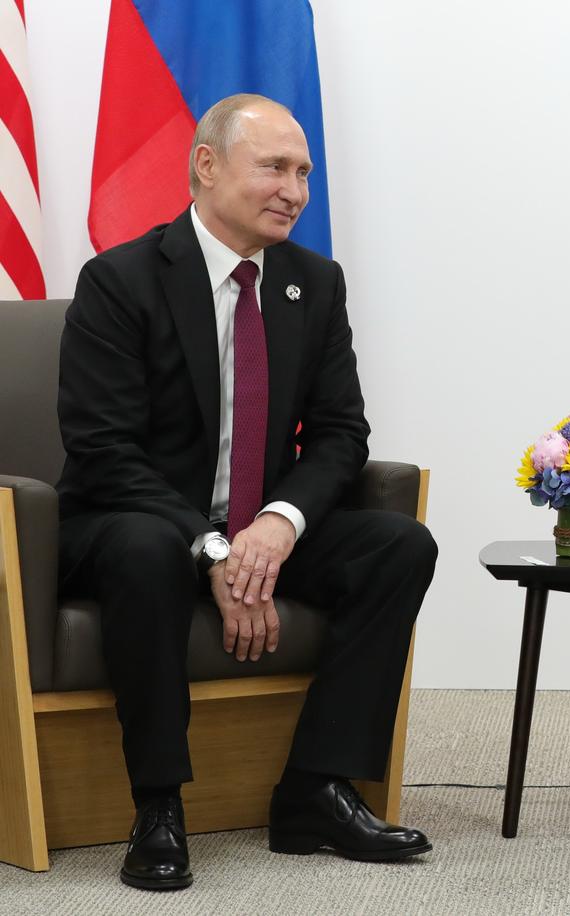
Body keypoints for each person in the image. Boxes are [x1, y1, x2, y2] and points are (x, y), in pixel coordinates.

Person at [56, 93, 438, 891]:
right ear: (206, 166)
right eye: (275, 167)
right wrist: (215, 548)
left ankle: (315, 790)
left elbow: (340, 434)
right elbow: (103, 451)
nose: (295, 190)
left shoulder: (314, 282)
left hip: (256, 525)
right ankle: (158, 804)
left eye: (303, 173)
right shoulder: (121, 280)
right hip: (137, 524)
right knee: (146, 547)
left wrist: (279, 523)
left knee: (399, 545)